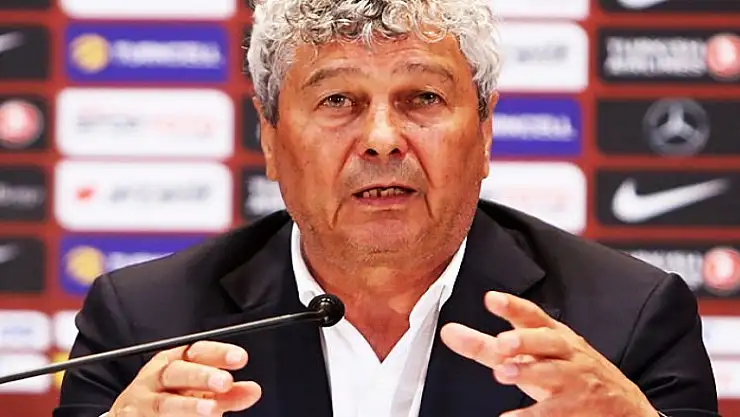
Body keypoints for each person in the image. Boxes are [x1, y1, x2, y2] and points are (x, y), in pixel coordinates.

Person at [55, 1, 719, 416]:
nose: (381, 138)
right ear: (271, 139)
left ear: (485, 133)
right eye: (337, 101)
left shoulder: (627, 323)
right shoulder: (144, 325)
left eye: (422, 98)